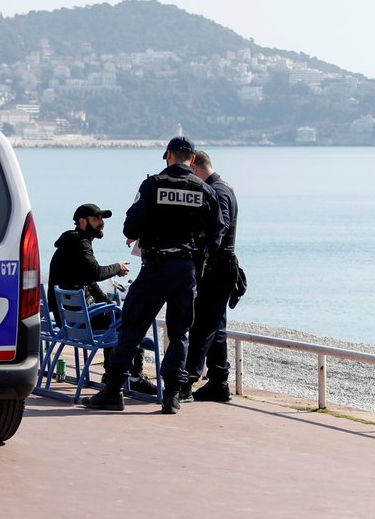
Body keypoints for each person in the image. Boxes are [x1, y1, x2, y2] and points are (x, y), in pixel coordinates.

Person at [83, 136, 225, 414]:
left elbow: (130, 228)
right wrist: (199, 257)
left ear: (168, 155)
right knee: (180, 331)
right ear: (192, 160)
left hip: (156, 267)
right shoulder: (205, 191)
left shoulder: (152, 185)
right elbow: (217, 232)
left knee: (132, 326)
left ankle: (113, 391)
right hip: (186, 269)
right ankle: (172, 396)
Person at [47, 204, 157, 395]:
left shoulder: (73, 243)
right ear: (82, 222)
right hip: (78, 321)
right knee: (131, 321)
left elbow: (88, 280)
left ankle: (112, 373)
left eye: (102, 219)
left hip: (70, 318)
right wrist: (117, 267)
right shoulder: (80, 244)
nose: (101, 223)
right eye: (96, 219)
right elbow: (95, 273)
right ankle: (133, 376)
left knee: (115, 315)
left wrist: (108, 303)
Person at [181, 150, 239, 403]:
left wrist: (198, 241)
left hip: (215, 269)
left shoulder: (216, 191)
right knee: (216, 328)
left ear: (195, 165)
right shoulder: (224, 187)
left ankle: (188, 380)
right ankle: (219, 381)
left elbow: (221, 226)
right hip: (221, 268)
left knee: (202, 325)